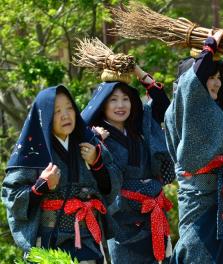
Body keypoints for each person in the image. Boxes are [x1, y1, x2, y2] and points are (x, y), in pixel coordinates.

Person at [164, 29, 223, 264]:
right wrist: (208, 47)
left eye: (219, 76)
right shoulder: (183, 109)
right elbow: (191, 85)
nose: (217, 82)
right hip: (201, 202)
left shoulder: (209, 111)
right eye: (211, 76)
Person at [1, 85, 119, 263]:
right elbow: (11, 197)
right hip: (49, 241)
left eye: (69, 108)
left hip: (86, 238)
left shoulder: (89, 144)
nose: (66, 115)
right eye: (57, 111)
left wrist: (97, 164)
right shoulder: (32, 152)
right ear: (45, 116)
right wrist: (41, 186)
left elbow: (111, 188)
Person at [81, 63, 175, 264]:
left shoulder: (139, 128)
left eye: (125, 99)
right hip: (120, 224)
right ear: (102, 104)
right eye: (113, 100)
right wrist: (94, 138)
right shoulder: (94, 136)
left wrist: (139, 73)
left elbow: (163, 107)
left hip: (152, 217)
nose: (120, 105)